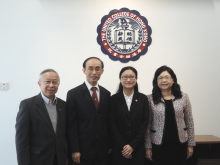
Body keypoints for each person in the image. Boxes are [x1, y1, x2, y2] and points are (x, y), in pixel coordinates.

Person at [145, 65, 196, 165]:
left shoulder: (183, 97)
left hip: (180, 142)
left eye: (167, 77)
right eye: (160, 78)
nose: (164, 80)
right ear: (156, 81)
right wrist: (148, 146)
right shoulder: (149, 99)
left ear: (173, 80)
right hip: (158, 143)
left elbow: (189, 121)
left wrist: (191, 144)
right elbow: (147, 125)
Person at [15, 69, 68, 165]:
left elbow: (66, 134)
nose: (51, 85)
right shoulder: (28, 105)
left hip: (60, 159)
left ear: (58, 85)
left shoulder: (63, 105)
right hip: (38, 159)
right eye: (47, 82)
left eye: (55, 82)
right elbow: (22, 139)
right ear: (39, 84)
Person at [66, 57, 111, 165]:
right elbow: (71, 125)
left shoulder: (106, 93)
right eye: (90, 68)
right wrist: (75, 149)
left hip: (103, 150)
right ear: (84, 70)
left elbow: (108, 122)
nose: (94, 72)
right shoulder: (73, 94)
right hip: (82, 151)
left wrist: (109, 145)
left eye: (97, 69)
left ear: (102, 71)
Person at [109, 66, 149, 165]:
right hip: (118, 148)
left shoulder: (143, 99)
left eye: (131, 77)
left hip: (137, 147)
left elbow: (144, 123)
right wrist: (124, 147)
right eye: (125, 77)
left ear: (136, 79)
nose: (128, 80)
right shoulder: (113, 99)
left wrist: (132, 146)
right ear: (120, 79)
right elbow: (112, 124)